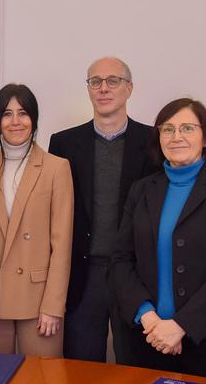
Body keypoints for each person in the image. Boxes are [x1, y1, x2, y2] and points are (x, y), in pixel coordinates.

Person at [110, 99, 206, 381]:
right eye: (168, 129)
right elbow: (121, 260)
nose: (176, 136)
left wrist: (180, 326)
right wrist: (148, 317)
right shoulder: (141, 190)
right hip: (147, 337)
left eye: (187, 128)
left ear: (205, 138)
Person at [48, 56, 158, 363]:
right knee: (81, 368)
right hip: (84, 275)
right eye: (95, 81)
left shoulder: (154, 141)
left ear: (129, 88)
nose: (103, 88)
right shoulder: (64, 143)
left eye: (113, 81)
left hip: (134, 273)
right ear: (88, 89)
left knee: (136, 365)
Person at [0, 84, 73, 357]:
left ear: (34, 119)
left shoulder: (56, 167)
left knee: (41, 380)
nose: (15, 121)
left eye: (23, 113)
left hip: (38, 299)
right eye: (7, 114)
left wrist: (53, 306)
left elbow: (62, 244)